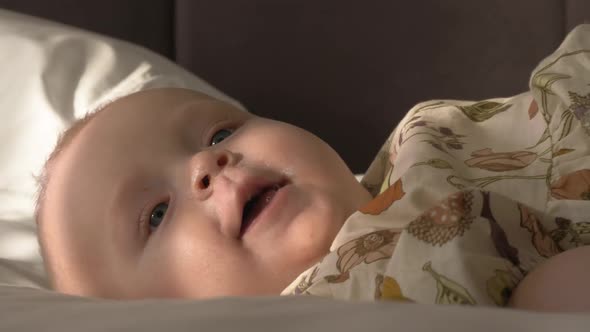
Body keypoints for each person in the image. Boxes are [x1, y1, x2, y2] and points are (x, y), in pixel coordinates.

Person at [35, 24, 590, 311]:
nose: (208, 163)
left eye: (221, 132)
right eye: (155, 215)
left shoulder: (426, 143)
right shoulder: (333, 305)